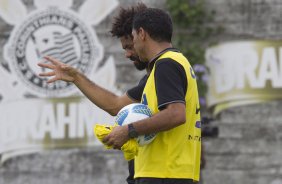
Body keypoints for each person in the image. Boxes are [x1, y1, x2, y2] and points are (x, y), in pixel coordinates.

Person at [38, 3, 148, 184]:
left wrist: (128, 131)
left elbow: (115, 106)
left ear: (141, 36)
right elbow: (118, 106)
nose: (127, 54)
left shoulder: (164, 72)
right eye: (124, 49)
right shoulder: (149, 79)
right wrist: (76, 77)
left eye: (130, 46)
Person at [103, 7, 202, 184]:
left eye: (132, 38)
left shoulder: (166, 64)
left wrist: (129, 130)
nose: (130, 50)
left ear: (141, 33)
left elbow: (176, 114)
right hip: (169, 172)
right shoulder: (172, 63)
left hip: (164, 173)